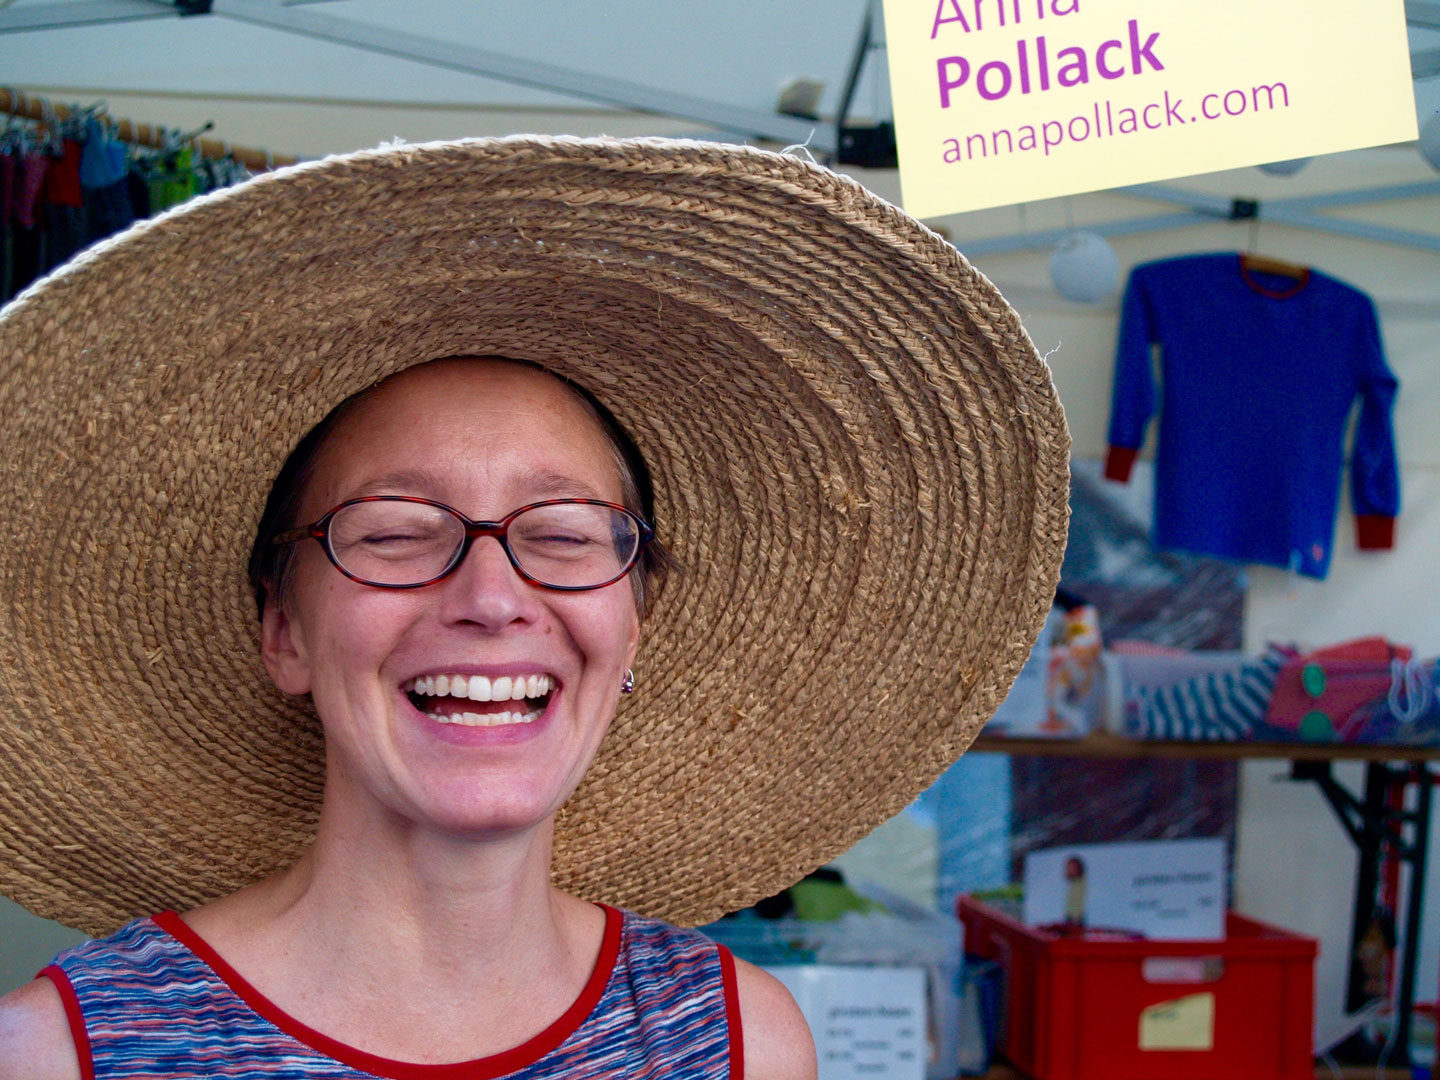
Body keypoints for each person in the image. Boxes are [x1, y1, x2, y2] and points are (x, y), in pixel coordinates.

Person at [0, 136, 1070, 1077]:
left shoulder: (738, 1043)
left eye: (561, 535)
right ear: (283, 630)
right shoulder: (62, 1054)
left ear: (635, 623)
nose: (491, 597)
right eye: (394, 533)